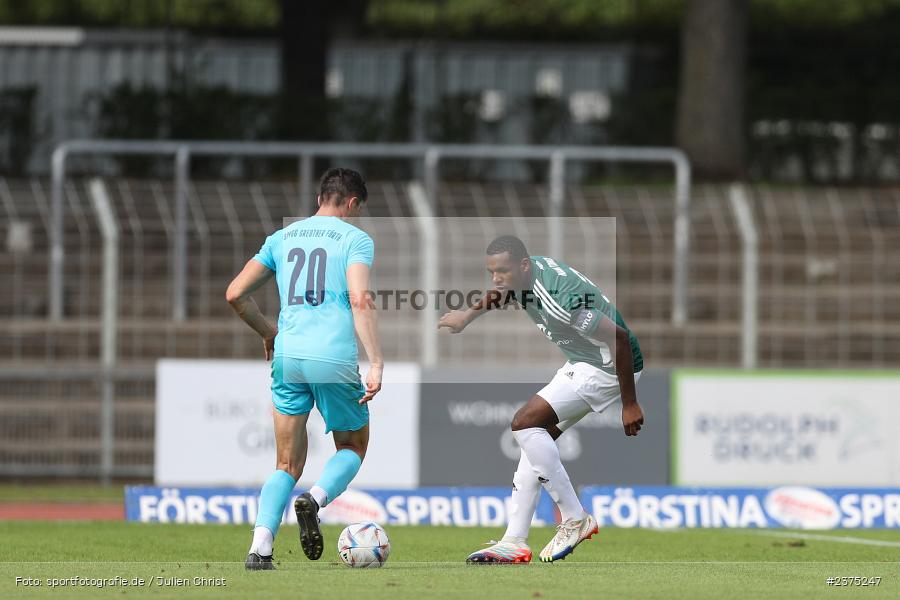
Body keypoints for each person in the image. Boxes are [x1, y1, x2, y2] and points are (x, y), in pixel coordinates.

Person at [438, 235, 644, 563]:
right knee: (534, 441)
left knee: (523, 423)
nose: (496, 278)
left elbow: (619, 339)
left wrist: (629, 403)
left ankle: (574, 518)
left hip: (606, 367)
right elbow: (502, 292)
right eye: (491, 271)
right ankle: (514, 540)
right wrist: (466, 316)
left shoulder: (562, 299)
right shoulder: (525, 274)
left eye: (502, 270)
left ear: (523, 265)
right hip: (583, 360)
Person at [226, 168, 383, 570]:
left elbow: (235, 293)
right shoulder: (355, 240)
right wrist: (376, 360)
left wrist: (268, 332)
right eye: (356, 210)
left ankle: (260, 547)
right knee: (352, 446)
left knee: (285, 464)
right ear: (351, 203)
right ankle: (315, 500)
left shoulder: (282, 238)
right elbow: (360, 298)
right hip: (331, 358)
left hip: (288, 358)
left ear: (319, 199)